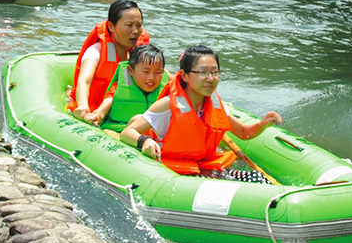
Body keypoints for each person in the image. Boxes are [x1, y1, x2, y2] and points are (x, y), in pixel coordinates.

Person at [118, 45, 283, 176]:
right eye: (203, 72)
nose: (210, 78)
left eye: (214, 72)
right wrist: (144, 141)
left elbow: (243, 132)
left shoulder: (216, 106)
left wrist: (263, 124)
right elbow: (127, 132)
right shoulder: (167, 105)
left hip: (205, 167)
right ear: (184, 76)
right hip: (171, 170)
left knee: (257, 179)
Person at [68, 0, 151, 124]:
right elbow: (84, 80)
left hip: (120, 113)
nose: (135, 31)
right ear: (112, 27)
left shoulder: (138, 56)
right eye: (129, 25)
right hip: (93, 109)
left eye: (138, 25)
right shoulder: (96, 51)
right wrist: (83, 106)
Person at [98, 44, 170, 132]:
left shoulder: (167, 90)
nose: (151, 77)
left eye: (158, 72)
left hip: (150, 132)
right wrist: (96, 116)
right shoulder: (117, 88)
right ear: (130, 71)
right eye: (146, 71)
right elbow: (101, 112)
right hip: (118, 130)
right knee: (136, 119)